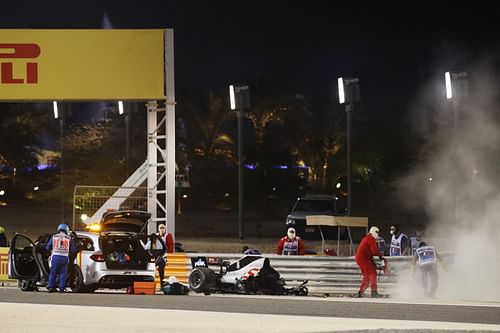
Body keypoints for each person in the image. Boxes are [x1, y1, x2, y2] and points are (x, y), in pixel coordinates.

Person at [45, 223, 76, 293]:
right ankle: (61, 289)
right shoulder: (69, 238)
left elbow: (47, 247)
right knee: (63, 273)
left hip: (55, 257)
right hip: (64, 257)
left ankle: (50, 287)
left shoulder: (54, 237)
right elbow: (73, 249)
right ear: (66, 230)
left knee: (53, 272)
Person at [354, 226, 384, 298]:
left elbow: (368, 251)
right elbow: (374, 251)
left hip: (360, 258)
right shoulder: (371, 239)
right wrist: (380, 255)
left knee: (366, 276)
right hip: (364, 259)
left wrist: (371, 258)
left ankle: (361, 292)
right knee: (372, 274)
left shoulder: (367, 238)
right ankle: (374, 292)